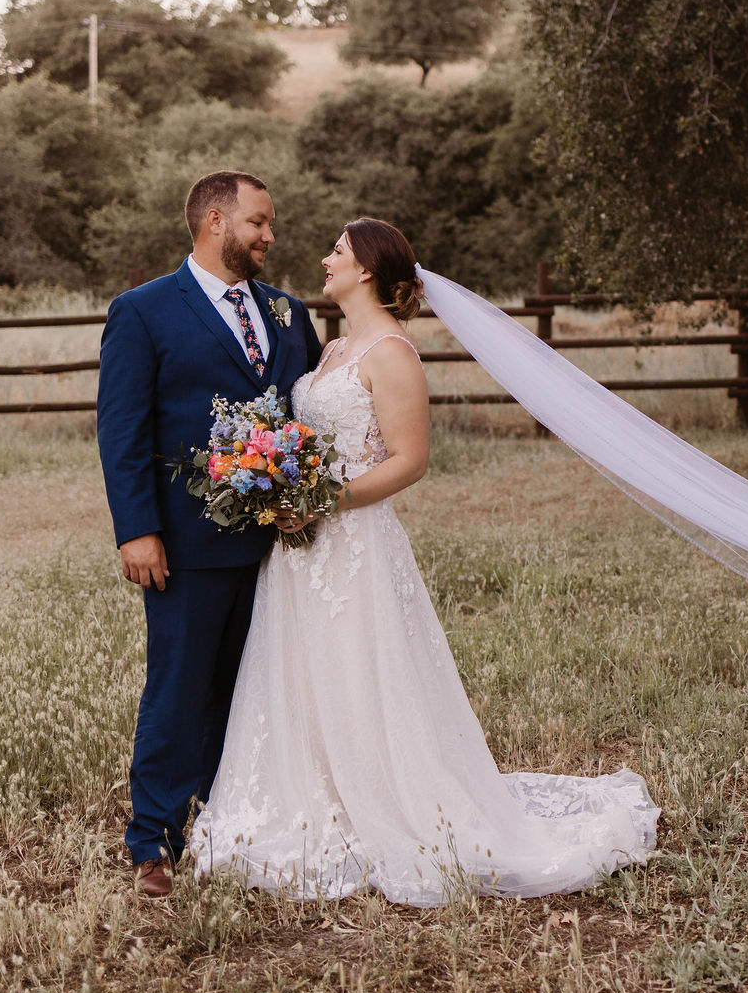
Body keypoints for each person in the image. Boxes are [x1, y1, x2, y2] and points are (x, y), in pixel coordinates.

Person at [190, 218, 659, 904]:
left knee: (361, 669)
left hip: (353, 542)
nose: (325, 260)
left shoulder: (391, 352)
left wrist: (324, 500)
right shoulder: (333, 349)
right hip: (299, 548)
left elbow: (410, 461)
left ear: (369, 270)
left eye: (338, 253)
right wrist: (278, 487)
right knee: (308, 669)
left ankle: (388, 803)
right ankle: (319, 799)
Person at [96, 171, 323, 897]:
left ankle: (230, 822)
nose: (270, 236)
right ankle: (154, 845)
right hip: (187, 543)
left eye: (271, 224)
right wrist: (138, 530)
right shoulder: (144, 312)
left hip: (283, 548)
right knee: (180, 687)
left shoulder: (288, 313)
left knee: (258, 688)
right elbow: (122, 429)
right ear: (216, 221)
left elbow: (310, 416)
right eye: (259, 222)